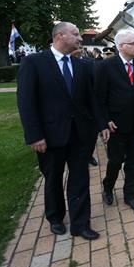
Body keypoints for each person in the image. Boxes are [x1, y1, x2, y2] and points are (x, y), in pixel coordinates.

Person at [17, 22, 109, 241]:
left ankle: (80, 224)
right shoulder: (34, 63)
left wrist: (102, 124)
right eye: (76, 34)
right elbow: (26, 103)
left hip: (80, 135)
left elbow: (92, 100)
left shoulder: (83, 65)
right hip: (49, 136)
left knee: (80, 179)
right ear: (60, 35)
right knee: (53, 179)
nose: (80, 38)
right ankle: (55, 218)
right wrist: (34, 135)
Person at [95, 30, 134, 211]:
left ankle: (129, 195)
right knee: (115, 161)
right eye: (133, 43)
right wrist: (105, 120)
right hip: (116, 125)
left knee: (132, 161)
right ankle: (108, 187)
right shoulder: (106, 67)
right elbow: (99, 98)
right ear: (121, 46)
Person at [71, 47, 99, 167]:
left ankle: (88, 155)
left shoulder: (89, 63)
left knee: (91, 136)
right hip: (70, 110)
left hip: (88, 109)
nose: (80, 48)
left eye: (81, 46)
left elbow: (95, 85)